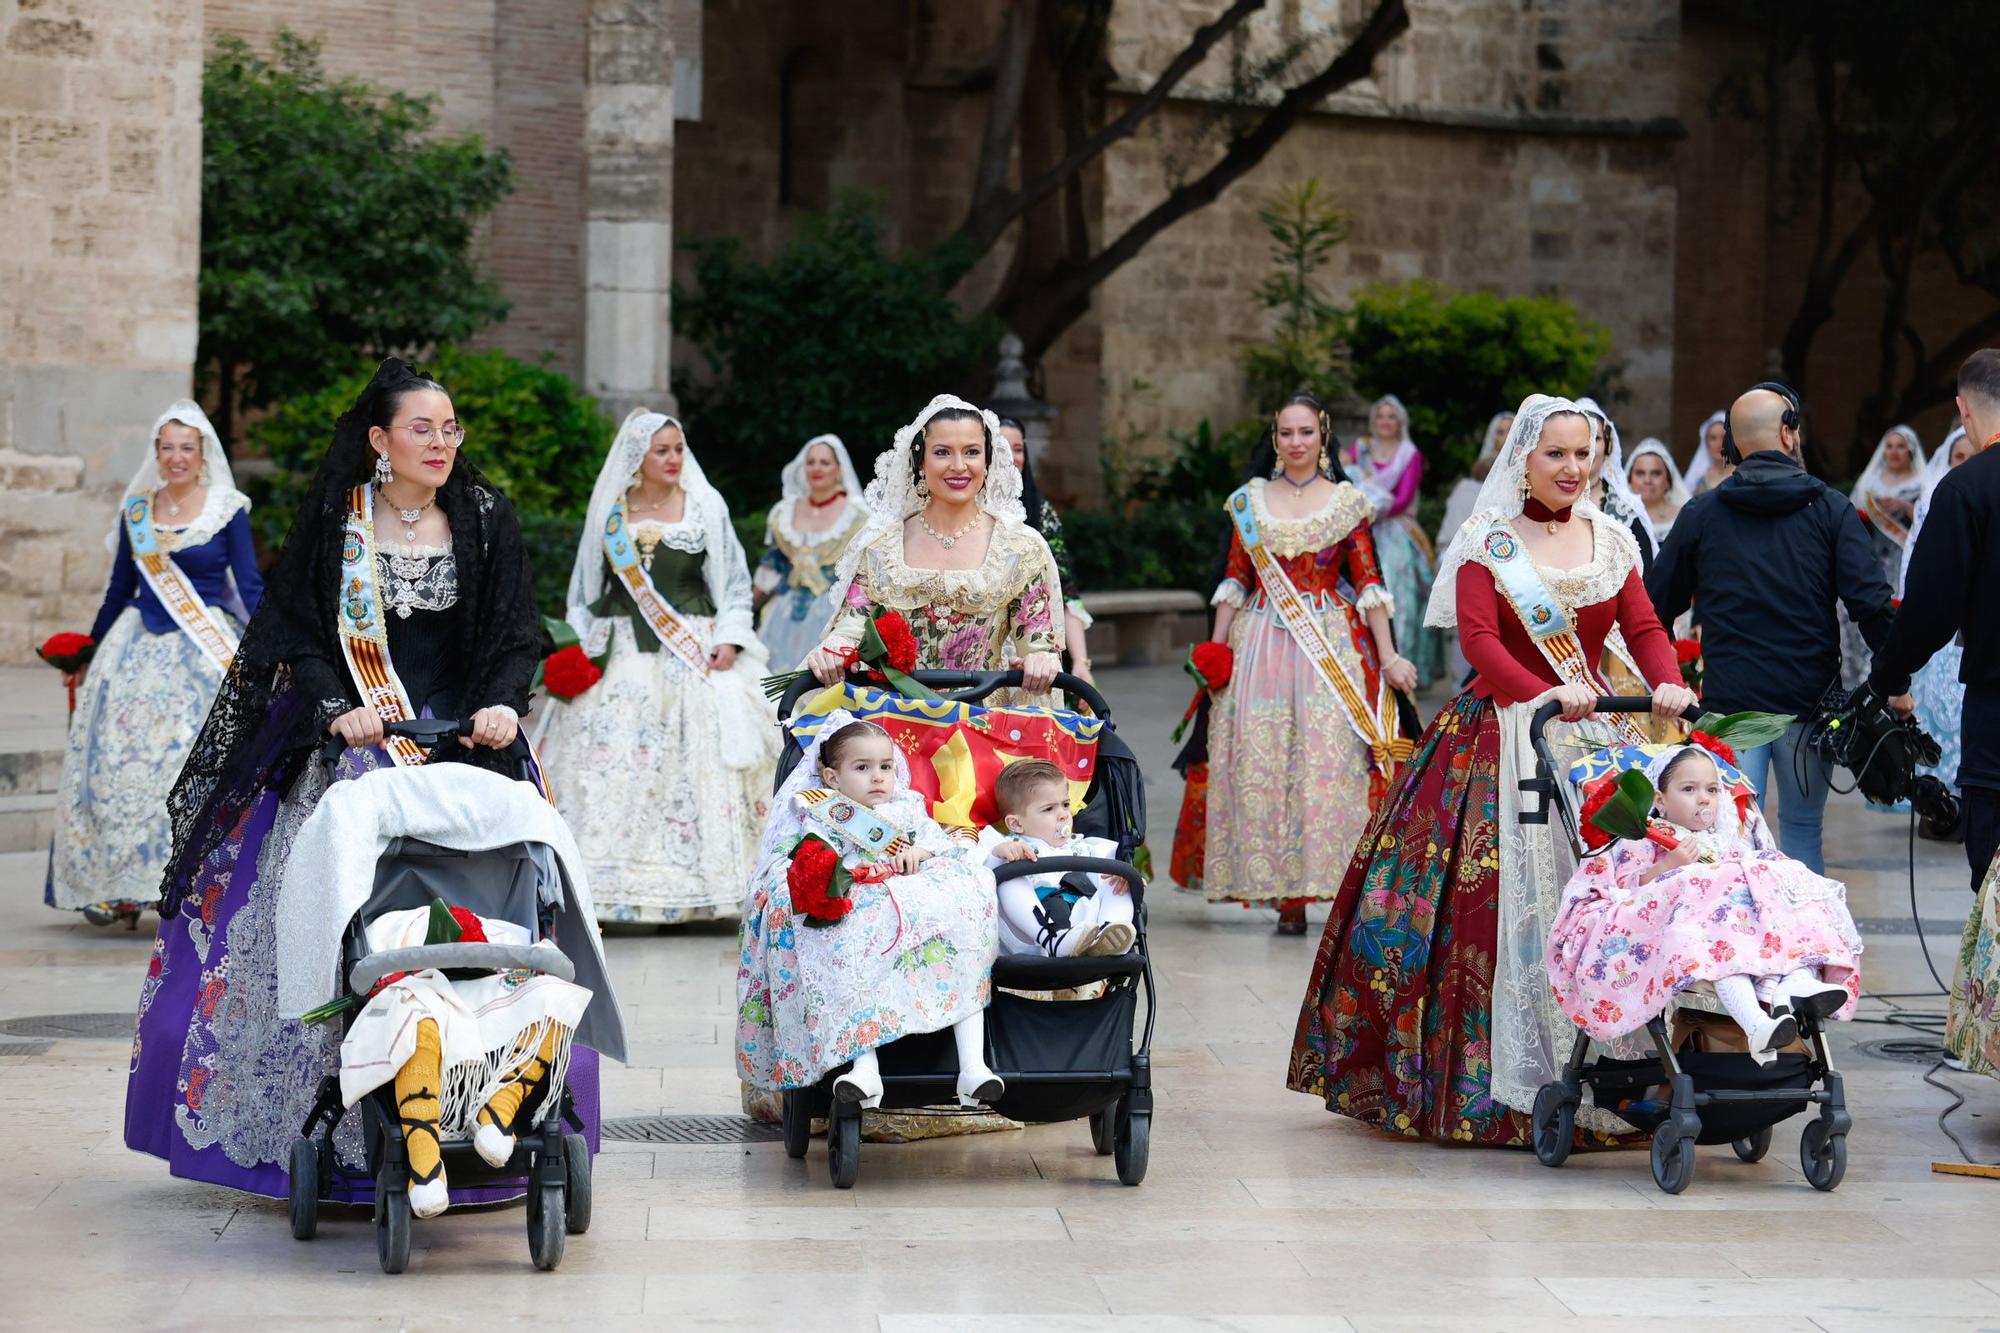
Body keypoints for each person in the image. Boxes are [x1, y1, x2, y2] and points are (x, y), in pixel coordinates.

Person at [130, 359, 570, 1198]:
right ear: (379, 439)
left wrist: (503, 705)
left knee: (509, 896)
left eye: (450, 428)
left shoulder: (483, 515)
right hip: (355, 742)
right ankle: (333, 1129)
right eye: (421, 428)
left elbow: (516, 631)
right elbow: (291, 629)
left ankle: (492, 1095)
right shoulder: (340, 520)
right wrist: (336, 705)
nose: (441, 443)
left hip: (460, 741)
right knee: (331, 917)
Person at [1287, 394, 1693, 1145]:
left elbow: (1643, 625)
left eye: (1583, 454)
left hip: (1593, 738)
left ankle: (1620, 1067)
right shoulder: (1488, 540)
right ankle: (1491, 1088)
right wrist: (1543, 692)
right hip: (1503, 734)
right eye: (1556, 455)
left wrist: (1666, 678)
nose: (1572, 468)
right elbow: (1479, 641)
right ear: (1525, 462)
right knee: (1489, 906)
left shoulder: (1613, 539)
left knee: (1613, 894)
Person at [536, 410, 780, 926]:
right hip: (618, 651)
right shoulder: (611, 511)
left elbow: (734, 583)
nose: (673, 459)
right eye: (661, 450)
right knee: (607, 763)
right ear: (637, 458)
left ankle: (709, 892)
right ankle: (597, 891)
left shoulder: (704, 506)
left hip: (691, 646)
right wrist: (577, 646)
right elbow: (584, 591)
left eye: (678, 448)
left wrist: (732, 638)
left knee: (698, 754)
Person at [1647, 384, 1895, 875]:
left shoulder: (1702, 513)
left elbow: (1654, 607)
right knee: (1803, 832)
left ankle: (1738, 947)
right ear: (1789, 433)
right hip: (1809, 702)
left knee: (1726, 840)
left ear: (1735, 446)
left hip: (1731, 707)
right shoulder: (1829, 509)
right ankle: (1805, 948)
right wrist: (1896, 682)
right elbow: (1871, 604)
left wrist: (1668, 677)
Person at [1205, 392, 1419, 935]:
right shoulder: (1249, 502)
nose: (1295, 443)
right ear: (1274, 440)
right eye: (1285, 433)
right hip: (1261, 644)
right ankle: (1286, 896)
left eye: (1305, 432)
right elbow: (1235, 580)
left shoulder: (1346, 503)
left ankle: (1331, 882)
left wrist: (1389, 655)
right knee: (1267, 760)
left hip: (1329, 637)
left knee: (1329, 763)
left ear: (1323, 436)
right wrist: (1216, 649)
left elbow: (1370, 583)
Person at [48, 401, 262, 927]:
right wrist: (87, 650)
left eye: (186, 447)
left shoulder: (227, 508)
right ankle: (119, 885)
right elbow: (120, 589)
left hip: (203, 651)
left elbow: (251, 584)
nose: (176, 457)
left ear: (202, 453)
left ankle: (189, 882)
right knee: (118, 762)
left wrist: (271, 649)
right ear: (157, 454)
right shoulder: (137, 512)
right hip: (133, 651)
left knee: (187, 762)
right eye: (167, 447)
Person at [735, 715, 1004, 1108]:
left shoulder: (908, 808)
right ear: (831, 778)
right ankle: (864, 1068)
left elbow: (936, 842)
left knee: (963, 916)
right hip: (864, 914)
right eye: (862, 768)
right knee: (847, 950)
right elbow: (815, 861)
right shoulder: (823, 814)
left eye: (886, 766)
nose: (877, 777)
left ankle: (973, 1067)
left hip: (914, 912)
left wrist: (919, 852)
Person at [1547, 744, 1861, 1063]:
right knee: (1720, 953)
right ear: (1660, 800)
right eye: (1689, 789)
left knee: (1789, 896)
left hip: (1747, 930)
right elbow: (1625, 888)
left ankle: (1797, 984)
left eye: (1712, 789)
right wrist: (1667, 866)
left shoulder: (1726, 839)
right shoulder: (1646, 838)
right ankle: (1756, 1024)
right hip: (1701, 931)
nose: (1703, 799)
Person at [805, 395, 1062, 699]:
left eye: (972, 452)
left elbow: (1037, 641)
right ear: (921, 460)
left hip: (983, 724)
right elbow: (852, 625)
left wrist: (1041, 660)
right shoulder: (881, 545)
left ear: (987, 460)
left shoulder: (1020, 547)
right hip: (893, 720)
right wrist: (834, 650)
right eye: (942, 452)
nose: (959, 466)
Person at [1871, 349, 2000, 887]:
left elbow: (1930, 609)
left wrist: (1889, 676)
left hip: (1997, 700)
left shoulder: (1969, 488)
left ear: (1962, 410)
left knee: (1995, 873)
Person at [981, 759, 1136, 958]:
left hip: (1086, 927)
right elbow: (980, 866)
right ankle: (1055, 940)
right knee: (1007, 875)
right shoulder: (1009, 846)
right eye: (1049, 809)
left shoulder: (1084, 847)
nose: (1063, 814)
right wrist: (1000, 852)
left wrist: (1128, 878)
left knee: (1116, 879)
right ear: (1016, 824)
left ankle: (1110, 934)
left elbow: (1111, 867)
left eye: (1065, 804)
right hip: (1035, 933)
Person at [752, 434, 871, 672]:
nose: (816, 468)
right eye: (811, 462)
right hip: (783, 614)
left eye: (824, 462)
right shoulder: (785, 511)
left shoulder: (858, 516)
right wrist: (746, 610)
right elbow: (775, 565)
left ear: (839, 469)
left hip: (830, 613)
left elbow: (864, 572)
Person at [1345, 394, 1441, 687]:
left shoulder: (1408, 454)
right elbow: (1340, 479)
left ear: (1400, 422)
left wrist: (1371, 507)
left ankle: (1402, 665)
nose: (1385, 422)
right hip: (1361, 526)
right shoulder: (1360, 449)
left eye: (1391, 416)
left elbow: (1402, 499)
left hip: (1395, 529)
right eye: (1380, 416)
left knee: (1400, 596)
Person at [1901, 427, 1975, 809]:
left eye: (1970, 455)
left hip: (1975, 627)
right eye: (1957, 457)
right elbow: (1915, 561)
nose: (1964, 464)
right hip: (1942, 630)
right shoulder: (1934, 498)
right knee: (1940, 713)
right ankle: (1940, 803)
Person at [996, 415, 1094, 682]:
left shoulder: (1041, 512)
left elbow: (1065, 590)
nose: (1013, 458)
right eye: (1003, 448)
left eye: (1018, 449)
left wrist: (1081, 662)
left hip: (1039, 653)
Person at [1840, 424, 1927, 688]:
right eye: (1889, 446)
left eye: (1900, 446)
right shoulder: (1869, 482)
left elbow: (1927, 522)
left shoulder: (1922, 483)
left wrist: (1904, 506)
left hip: (1903, 559)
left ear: (1910, 450)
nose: (1894, 452)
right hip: (1872, 559)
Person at [1439, 410, 1516, 682]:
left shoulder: (1530, 483)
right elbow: (1453, 538)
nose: (1505, 437)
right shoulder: (1471, 485)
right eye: (1499, 430)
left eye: (1511, 430)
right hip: (1479, 569)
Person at [1626, 437, 1689, 546]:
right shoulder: (1619, 517)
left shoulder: (1684, 517)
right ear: (1629, 479)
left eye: (1656, 473)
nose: (1647, 480)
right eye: (1640, 473)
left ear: (1668, 480)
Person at [1683, 409, 1730, 494]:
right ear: (1706, 443)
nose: (1719, 444)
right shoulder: (1698, 477)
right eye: (1713, 438)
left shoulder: (1741, 473)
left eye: (1723, 437)